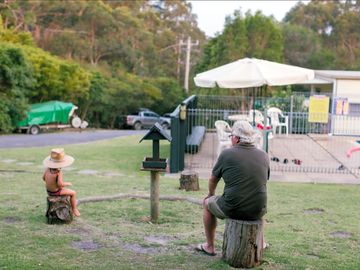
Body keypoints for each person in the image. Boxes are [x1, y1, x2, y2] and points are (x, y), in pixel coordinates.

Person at [196, 120, 270, 256]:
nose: (231, 139)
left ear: (236, 138)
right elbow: (264, 180)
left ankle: (209, 246)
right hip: (258, 209)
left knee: (207, 204)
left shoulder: (227, 154)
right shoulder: (264, 155)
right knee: (257, 204)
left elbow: (213, 179)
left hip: (233, 208)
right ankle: (262, 242)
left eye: (231, 136)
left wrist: (210, 194)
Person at [42, 148, 80, 217]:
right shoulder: (58, 173)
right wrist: (67, 184)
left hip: (49, 191)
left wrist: (52, 183)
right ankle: (74, 209)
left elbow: (43, 178)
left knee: (65, 191)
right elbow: (60, 184)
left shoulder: (47, 169)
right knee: (73, 193)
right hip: (56, 192)